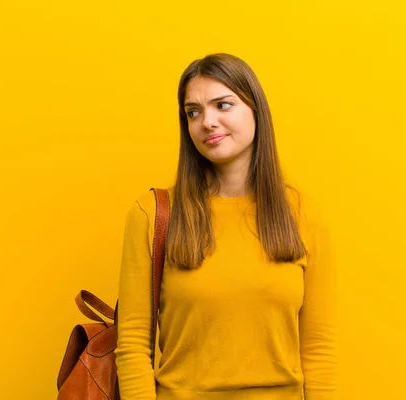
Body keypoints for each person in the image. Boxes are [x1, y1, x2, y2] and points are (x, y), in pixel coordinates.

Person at [115, 53, 337, 400]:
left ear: (255, 110)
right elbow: (131, 345)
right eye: (194, 112)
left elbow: (320, 349)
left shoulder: (302, 215)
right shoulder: (153, 214)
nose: (208, 122)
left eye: (223, 105)